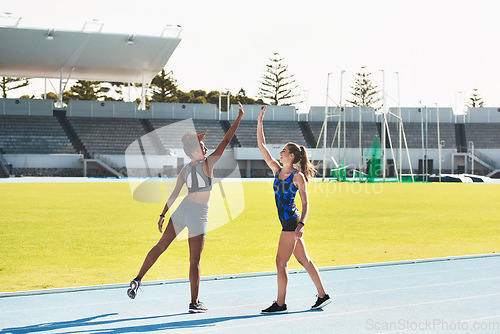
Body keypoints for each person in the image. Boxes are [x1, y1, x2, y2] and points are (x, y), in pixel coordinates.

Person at [127, 102, 245, 313]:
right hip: (198, 215)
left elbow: (174, 195)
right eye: (202, 145)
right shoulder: (208, 164)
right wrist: (239, 118)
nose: (206, 148)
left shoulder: (184, 170)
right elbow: (227, 140)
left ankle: (137, 278)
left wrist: (163, 214)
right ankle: (194, 303)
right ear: (194, 150)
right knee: (195, 261)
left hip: (182, 209)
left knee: (160, 246)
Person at [257, 106, 331, 314]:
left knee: (281, 262)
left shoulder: (297, 177)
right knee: (304, 260)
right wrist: (259, 123)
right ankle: (323, 295)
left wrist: (301, 225)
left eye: (282, 151)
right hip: (289, 223)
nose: (279, 153)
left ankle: (280, 304)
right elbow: (262, 146)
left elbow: (306, 203)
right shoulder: (277, 170)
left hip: (291, 222)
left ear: (290, 156)